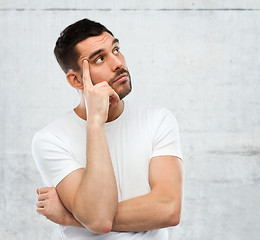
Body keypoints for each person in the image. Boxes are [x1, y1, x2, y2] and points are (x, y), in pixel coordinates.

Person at [32, 18, 183, 240]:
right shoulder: (51, 139)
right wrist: (95, 123)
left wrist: (72, 217)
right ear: (75, 80)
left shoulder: (158, 120)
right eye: (100, 58)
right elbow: (98, 219)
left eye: (116, 49)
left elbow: (168, 209)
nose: (118, 63)